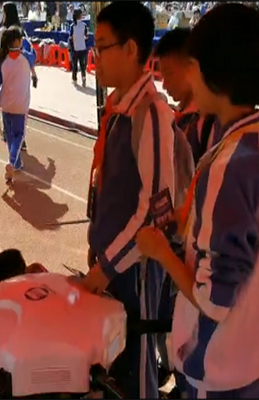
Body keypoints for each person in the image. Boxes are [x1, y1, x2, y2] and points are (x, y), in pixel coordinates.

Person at [136, 4, 259, 399]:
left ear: (215, 73)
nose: (187, 78)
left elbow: (214, 299)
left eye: (191, 67)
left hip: (218, 364)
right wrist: (189, 223)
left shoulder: (227, 166)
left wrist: (160, 252)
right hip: (252, 352)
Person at [80, 2, 183, 398]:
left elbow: (153, 214)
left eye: (102, 46)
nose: (95, 56)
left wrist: (105, 268)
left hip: (132, 271)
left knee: (136, 373)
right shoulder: (119, 109)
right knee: (114, 365)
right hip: (111, 264)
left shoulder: (150, 114)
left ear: (130, 49)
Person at [155, 28, 217, 165]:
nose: (164, 85)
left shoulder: (208, 123)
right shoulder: (177, 115)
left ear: (192, 67)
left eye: (169, 74)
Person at [0, 27, 35, 185]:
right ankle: (12, 161)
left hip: (6, 103)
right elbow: (34, 54)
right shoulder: (26, 57)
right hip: (21, 104)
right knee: (19, 135)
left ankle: (16, 162)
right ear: (16, 41)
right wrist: (28, 42)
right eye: (20, 39)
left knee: (9, 135)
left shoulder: (1, 60)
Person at [0, 2, 36, 150]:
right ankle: (20, 137)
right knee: (22, 103)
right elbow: (30, 52)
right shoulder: (21, 32)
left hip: (8, 70)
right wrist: (33, 72)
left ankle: (11, 134)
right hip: (22, 73)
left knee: (8, 102)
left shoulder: (3, 32)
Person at [69, 8, 89, 87]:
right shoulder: (84, 25)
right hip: (82, 47)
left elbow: (70, 37)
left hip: (75, 48)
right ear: (80, 16)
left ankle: (74, 78)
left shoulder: (72, 26)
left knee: (74, 64)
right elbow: (86, 36)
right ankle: (84, 78)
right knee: (82, 65)